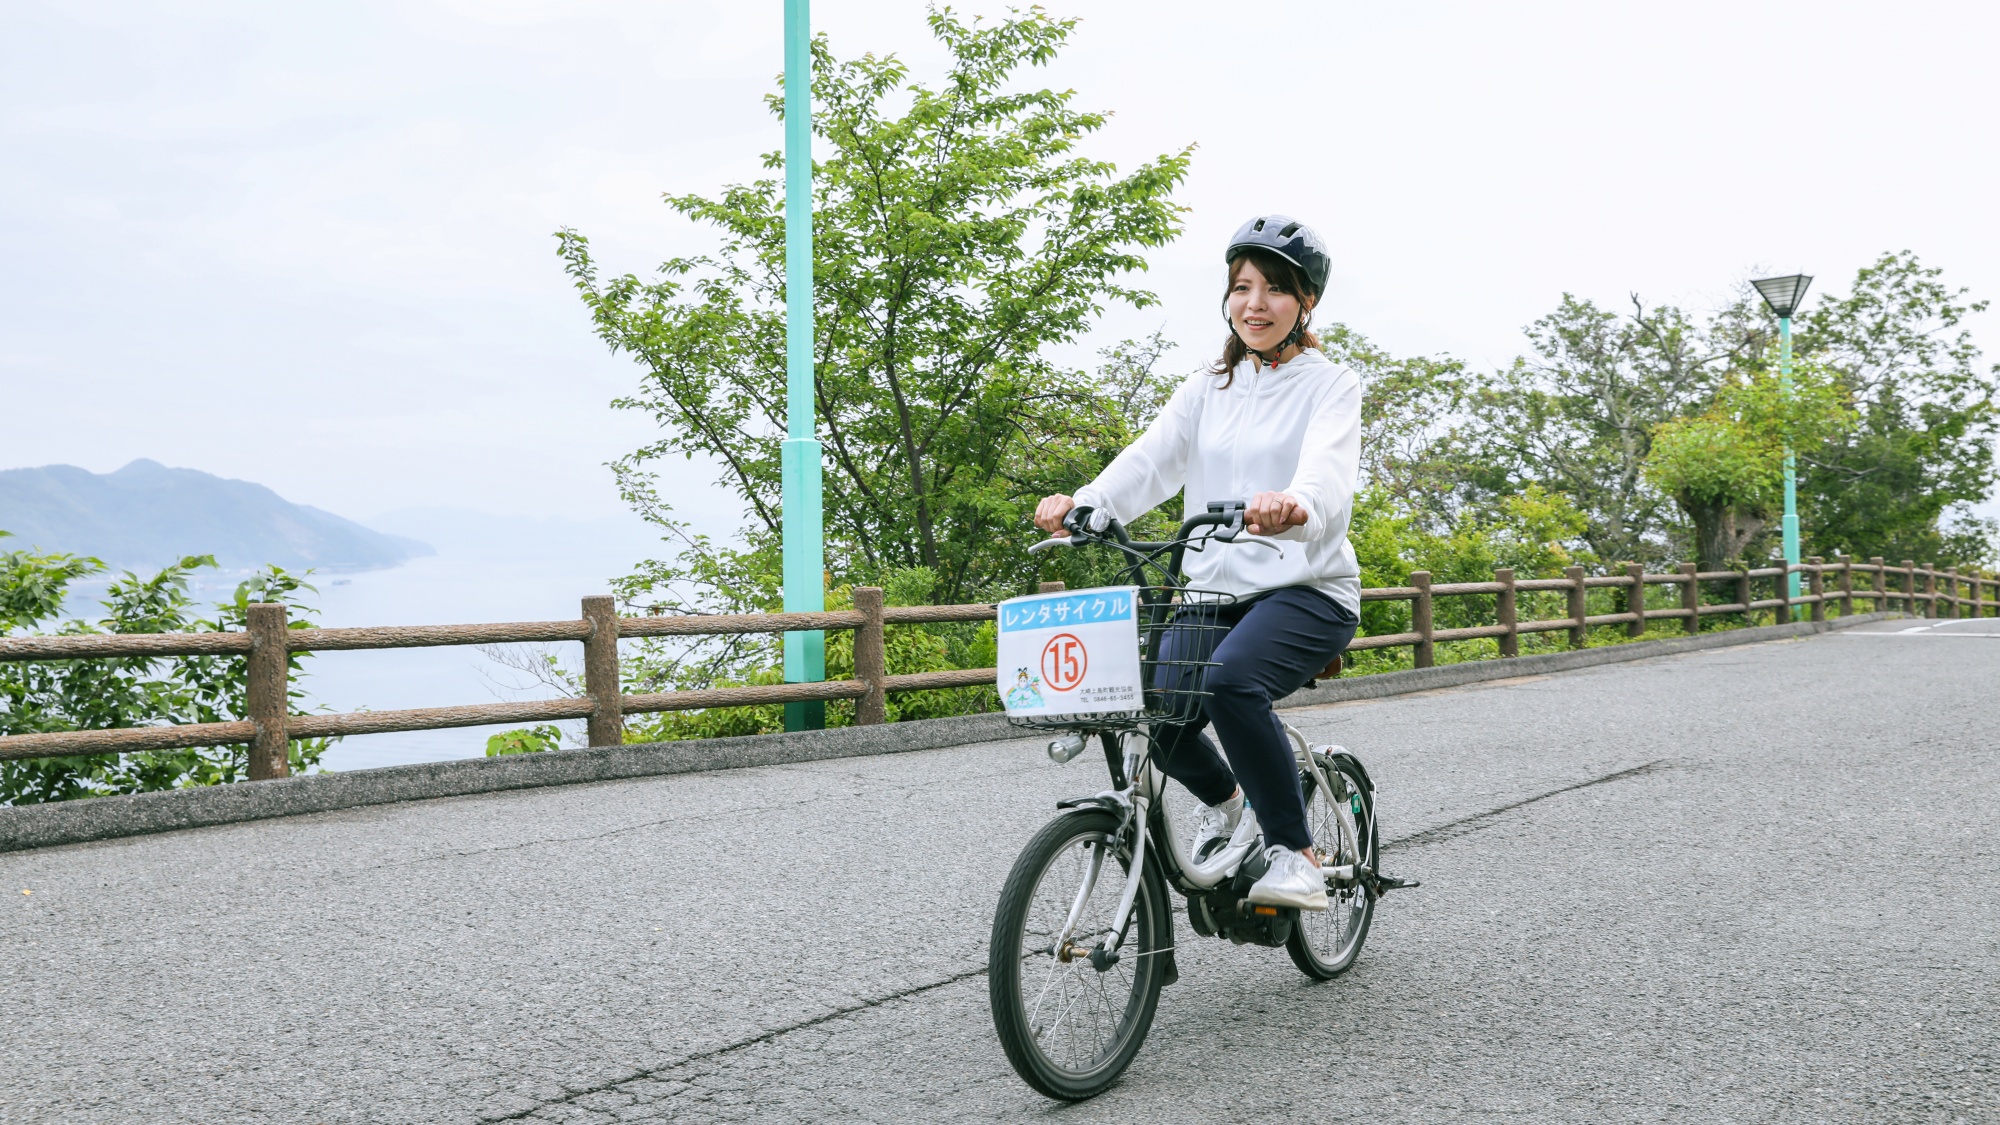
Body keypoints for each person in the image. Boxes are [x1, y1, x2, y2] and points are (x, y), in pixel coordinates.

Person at [1034, 214, 1361, 911]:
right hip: (1214, 588)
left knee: (1232, 681)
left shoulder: (1330, 386)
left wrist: (1296, 504)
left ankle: (1295, 854)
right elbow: (1150, 461)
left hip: (1306, 587)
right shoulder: (1207, 388)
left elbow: (1328, 471)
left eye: (1275, 289)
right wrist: (1083, 504)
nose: (1255, 304)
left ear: (1306, 302)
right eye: (1243, 287)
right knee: (1156, 707)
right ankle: (1232, 802)